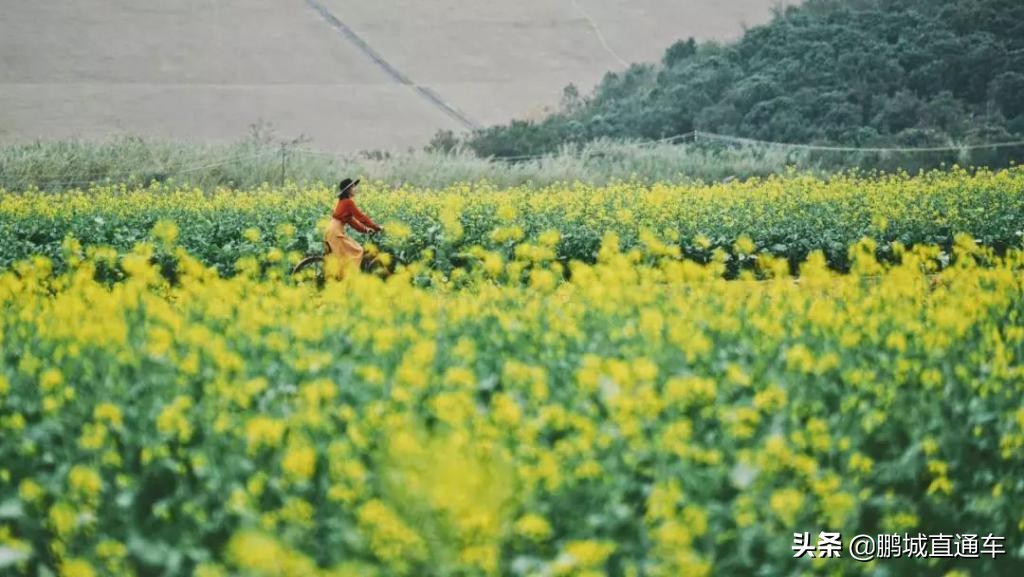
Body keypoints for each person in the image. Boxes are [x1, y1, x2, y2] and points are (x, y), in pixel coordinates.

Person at [324, 178, 381, 278]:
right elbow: (361, 217)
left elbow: (352, 222)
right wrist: (376, 227)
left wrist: (366, 230)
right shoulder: (348, 203)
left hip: (332, 230)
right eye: (353, 187)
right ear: (348, 190)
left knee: (344, 255)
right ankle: (350, 277)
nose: (355, 189)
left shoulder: (343, 202)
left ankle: (343, 278)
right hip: (335, 232)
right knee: (357, 250)